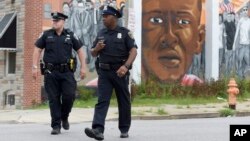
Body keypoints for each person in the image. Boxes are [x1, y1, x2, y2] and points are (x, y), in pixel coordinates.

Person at [84, 5, 137, 140]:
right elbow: (93, 53)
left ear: (114, 17)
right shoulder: (101, 33)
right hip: (105, 73)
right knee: (102, 101)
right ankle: (97, 130)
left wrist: (125, 66)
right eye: (103, 16)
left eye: (106, 16)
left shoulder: (125, 33)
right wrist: (97, 48)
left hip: (120, 73)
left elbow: (133, 51)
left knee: (123, 101)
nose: (103, 19)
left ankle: (124, 129)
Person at [32, 12, 86, 135]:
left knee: (69, 96)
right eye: (53, 20)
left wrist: (83, 67)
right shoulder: (46, 35)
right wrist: (34, 67)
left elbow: (80, 51)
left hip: (67, 72)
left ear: (63, 22)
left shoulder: (70, 35)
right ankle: (56, 125)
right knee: (53, 99)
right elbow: (37, 49)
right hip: (50, 72)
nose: (54, 22)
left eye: (57, 21)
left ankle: (64, 116)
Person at [142, 0, 205, 85]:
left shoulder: (197, 89)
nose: (170, 38)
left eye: (183, 22)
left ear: (199, 39)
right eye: (156, 20)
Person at [233, 6, 250, 78]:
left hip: (247, 45)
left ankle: (243, 72)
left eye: (246, 10)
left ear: (247, 11)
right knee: (239, 61)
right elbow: (236, 33)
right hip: (241, 45)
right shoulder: (240, 20)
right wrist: (234, 44)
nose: (245, 11)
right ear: (242, 12)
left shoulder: (249, 21)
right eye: (244, 10)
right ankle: (240, 76)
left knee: (248, 63)